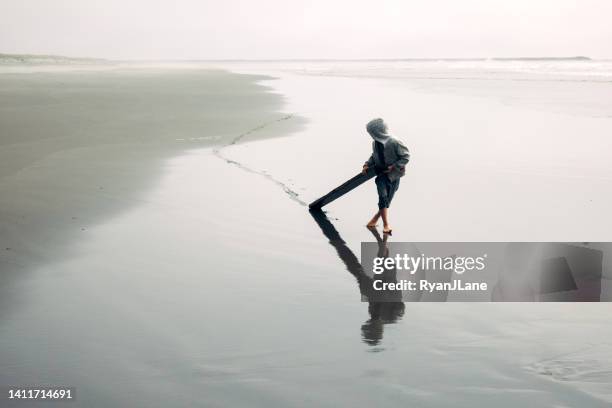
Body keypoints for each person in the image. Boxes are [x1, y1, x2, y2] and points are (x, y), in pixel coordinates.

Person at [362, 118, 410, 234]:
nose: (371, 135)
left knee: (388, 199)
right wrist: (366, 164)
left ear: (378, 131)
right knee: (383, 196)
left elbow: (406, 156)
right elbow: (374, 156)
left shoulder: (394, 142)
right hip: (381, 174)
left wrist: (395, 166)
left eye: (372, 132)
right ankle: (386, 225)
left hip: (394, 175)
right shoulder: (375, 143)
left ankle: (375, 219)